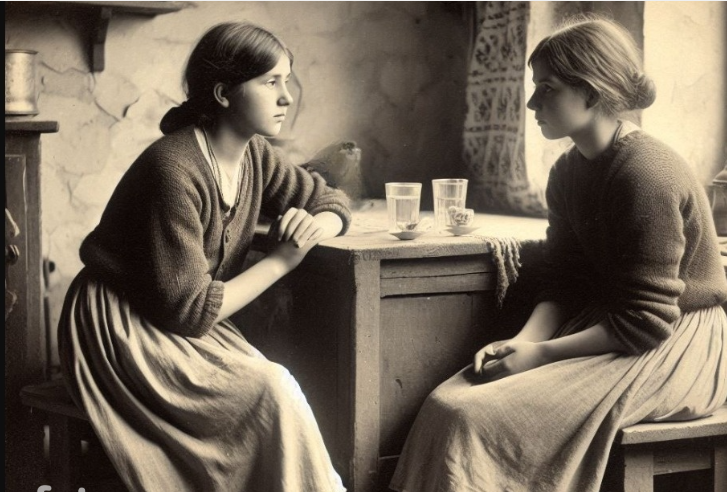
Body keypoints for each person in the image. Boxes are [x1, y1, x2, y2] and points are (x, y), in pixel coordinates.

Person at [390, 16, 727, 492]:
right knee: (449, 402)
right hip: (613, 326)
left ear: (591, 91)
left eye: (546, 89)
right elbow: (564, 278)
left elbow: (647, 321)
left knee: (471, 417)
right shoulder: (568, 171)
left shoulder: (646, 174)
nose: (532, 103)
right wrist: (523, 343)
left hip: (678, 344)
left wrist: (541, 354)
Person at [58, 22, 351, 492]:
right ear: (223, 94)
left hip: (183, 315)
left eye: (287, 80)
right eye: (270, 82)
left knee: (276, 387)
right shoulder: (174, 168)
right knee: (271, 389)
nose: (287, 97)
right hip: (122, 322)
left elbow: (328, 199)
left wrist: (318, 225)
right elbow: (190, 312)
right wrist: (282, 261)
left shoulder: (255, 156)